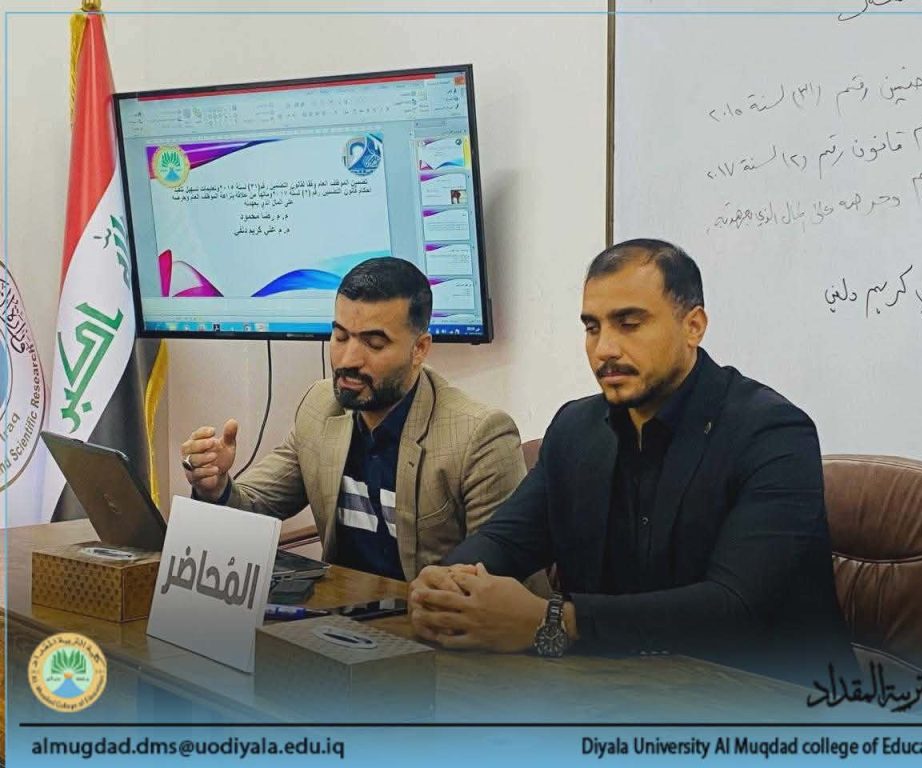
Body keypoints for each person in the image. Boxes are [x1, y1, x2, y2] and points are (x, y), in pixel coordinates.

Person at [408, 239, 855, 683]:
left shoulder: (772, 433)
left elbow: (734, 608)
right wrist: (446, 583)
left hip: (765, 700)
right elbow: (505, 540)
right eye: (592, 327)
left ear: (693, 326)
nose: (605, 348)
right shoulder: (575, 429)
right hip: (614, 686)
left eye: (629, 324)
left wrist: (554, 620)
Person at [179, 257, 527, 581]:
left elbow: (501, 585)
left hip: (431, 620)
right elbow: (255, 504)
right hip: (339, 613)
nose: (348, 360)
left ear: (419, 349)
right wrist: (215, 485)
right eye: (340, 336)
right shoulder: (320, 406)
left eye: (373, 343)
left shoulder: (478, 437)